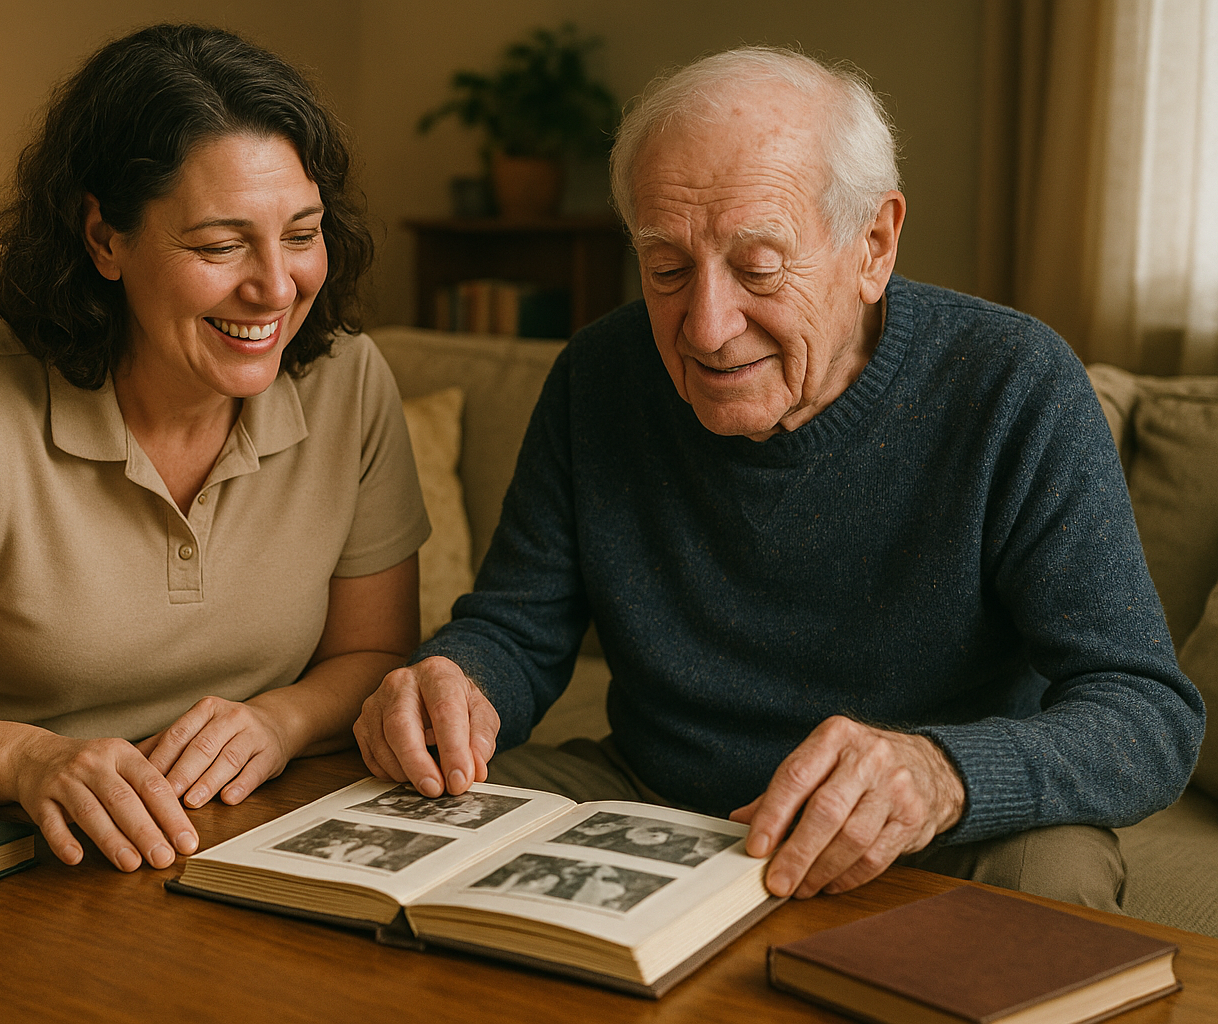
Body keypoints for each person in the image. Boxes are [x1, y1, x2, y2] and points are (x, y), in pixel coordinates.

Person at [354, 47, 1204, 910]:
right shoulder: (599, 375)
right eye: (667, 270)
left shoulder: (1013, 383)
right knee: (393, 819)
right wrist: (453, 681)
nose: (709, 327)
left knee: (1049, 879)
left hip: (924, 832)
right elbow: (516, 630)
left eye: (758, 268)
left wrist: (942, 774)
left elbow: (1146, 714)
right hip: (655, 797)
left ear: (873, 245)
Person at [0, 25, 428, 874]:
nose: (276, 287)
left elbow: (374, 654)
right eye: (219, 244)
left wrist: (281, 721)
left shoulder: (350, 379)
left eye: (302, 233)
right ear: (104, 239)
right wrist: (27, 760)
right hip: (9, 847)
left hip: (245, 830)